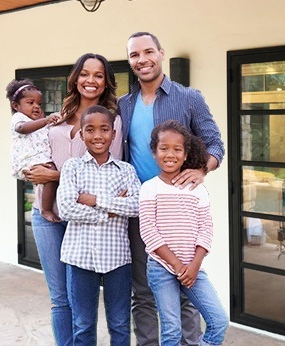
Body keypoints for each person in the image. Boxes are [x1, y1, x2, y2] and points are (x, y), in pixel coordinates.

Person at [118, 31, 225, 346]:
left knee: (186, 290)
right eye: (135, 55)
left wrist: (202, 169)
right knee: (143, 291)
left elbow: (215, 142)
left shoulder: (189, 97)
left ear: (161, 54)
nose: (142, 60)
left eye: (148, 52)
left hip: (181, 209)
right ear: (130, 61)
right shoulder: (124, 104)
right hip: (143, 210)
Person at [23, 53, 123, 346]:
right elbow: (37, 151)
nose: (90, 80)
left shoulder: (110, 122)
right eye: (85, 73)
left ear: (106, 82)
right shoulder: (57, 116)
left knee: (83, 302)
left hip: (83, 220)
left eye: (98, 75)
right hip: (46, 216)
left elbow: (105, 174)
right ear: (75, 77)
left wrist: (53, 177)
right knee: (59, 299)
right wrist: (31, 169)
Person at [139, 120, 229, 346]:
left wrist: (194, 266)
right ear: (154, 152)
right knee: (172, 330)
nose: (171, 154)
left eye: (177, 149)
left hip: (193, 267)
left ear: (186, 154)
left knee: (219, 321)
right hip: (162, 268)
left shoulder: (197, 189)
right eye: (164, 148)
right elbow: (149, 232)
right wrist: (179, 268)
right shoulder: (150, 188)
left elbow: (206, 229)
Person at [57, 105, 140, 345]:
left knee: (120, 324)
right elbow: (66, 209)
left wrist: (95, 201)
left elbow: (135, 207)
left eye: (104, 129)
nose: (97, 136)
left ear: (114, 134)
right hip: (79, 257)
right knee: (82, 325)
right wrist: (111, 211)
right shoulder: (72, 167)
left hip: (117, 259)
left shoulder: (126, 170)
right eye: (90, 130)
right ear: (81, 134)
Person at [7, 79, 61, 222]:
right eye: (30, 103)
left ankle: (46, 207)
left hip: (39, 158)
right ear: (16, 105)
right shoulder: (19, 118)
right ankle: (46, 210)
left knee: (50, 174)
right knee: (51, 174)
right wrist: (45, 120)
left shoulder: (38, 120)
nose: (36, 107)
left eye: (39, 103)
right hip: (28, 159)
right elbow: (22, 129)